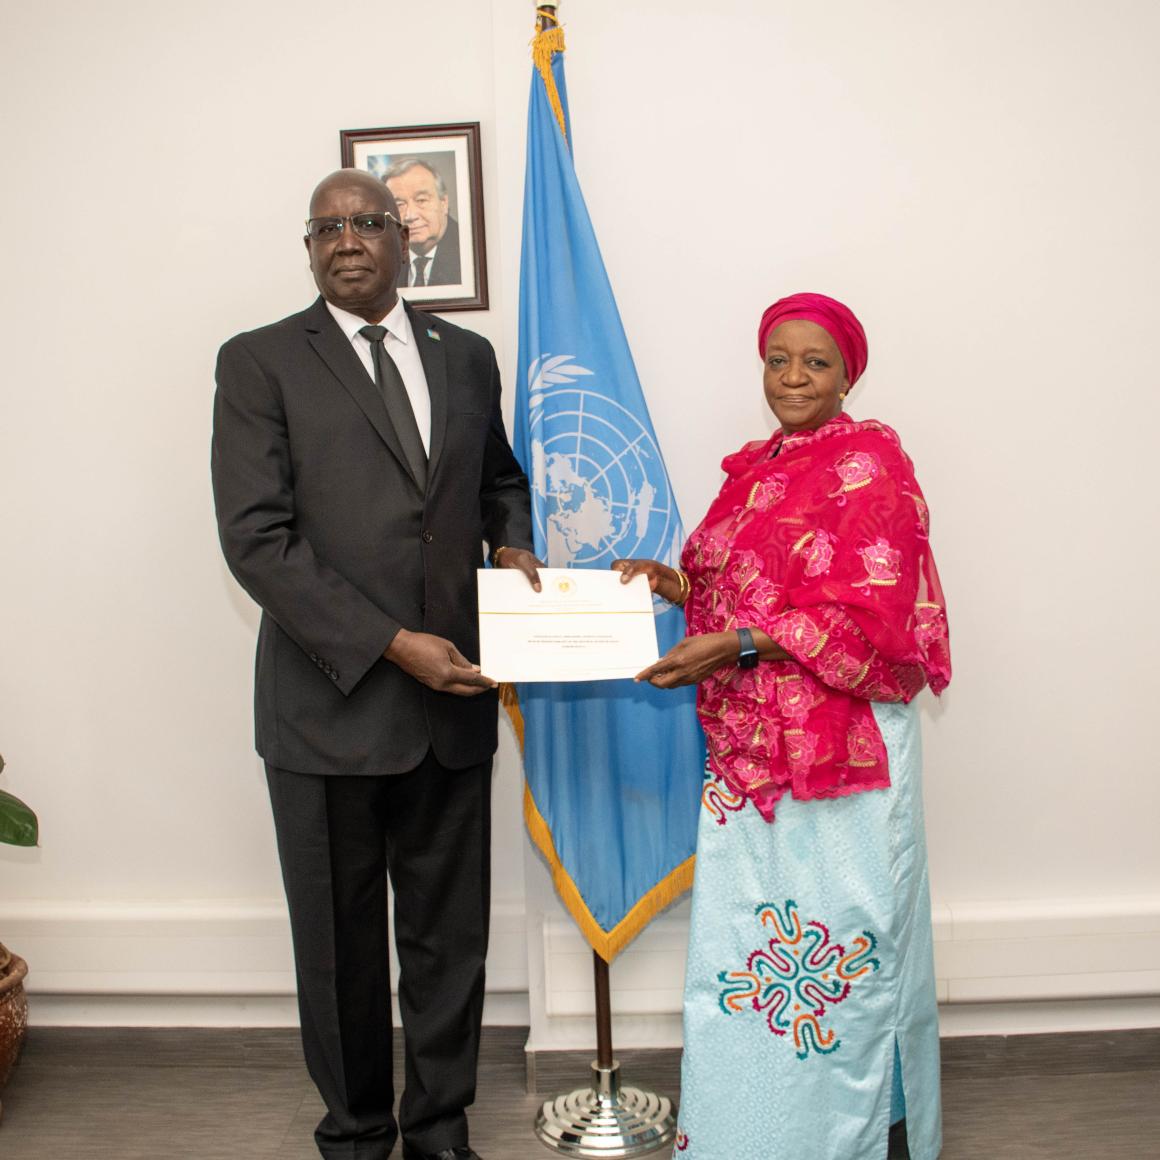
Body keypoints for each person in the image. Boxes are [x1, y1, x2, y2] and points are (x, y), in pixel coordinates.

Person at [211, 167, 540, 1160]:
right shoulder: (259, 361)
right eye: (325, 228)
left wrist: (516, 546)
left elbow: (499, 483)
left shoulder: (465, 356)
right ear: (308, 249)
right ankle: (356, 1134)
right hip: (328, 709)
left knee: (450, 943)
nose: (345, 239)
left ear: (406, 239)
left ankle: (440, 1132)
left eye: (365, 222)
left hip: (452, 715)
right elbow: (255, 538)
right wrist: (394, 644)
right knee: (341, 951)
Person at [614, 293, 951, 1160]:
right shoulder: (758, 470)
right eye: (778, 359)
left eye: (816, 362)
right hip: (754, 756)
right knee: (752, 958)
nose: (793, 377)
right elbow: (742, 589)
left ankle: (860, 1135)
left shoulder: (875, 466)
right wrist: (676, 586)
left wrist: (743, 642)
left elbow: (875, 617)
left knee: (846, 953)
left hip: (845, 754)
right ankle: (752, 1134)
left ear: (849, 375)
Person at [384, 158, 462, 287]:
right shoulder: (385, 259)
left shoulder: (468, 252)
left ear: (444, 203)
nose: (410, 215)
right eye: (399, 204)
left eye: (421, 200)